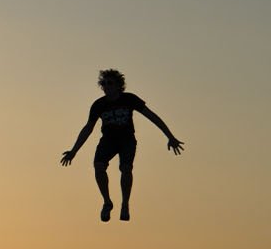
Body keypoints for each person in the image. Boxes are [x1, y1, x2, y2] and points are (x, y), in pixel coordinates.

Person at [60, 69, 184, 222]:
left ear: (119, 85)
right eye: (103, 84)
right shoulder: (99, 105)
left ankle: (125, 204)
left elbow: (152, 117)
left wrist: (170, 136)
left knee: (125, 168)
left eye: (110, 83)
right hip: (108, 140)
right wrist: (74, 151)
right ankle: (107, 202)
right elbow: (88, 128)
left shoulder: (129, 99)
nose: (106, 87)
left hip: (126, 140)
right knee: (98, 166)